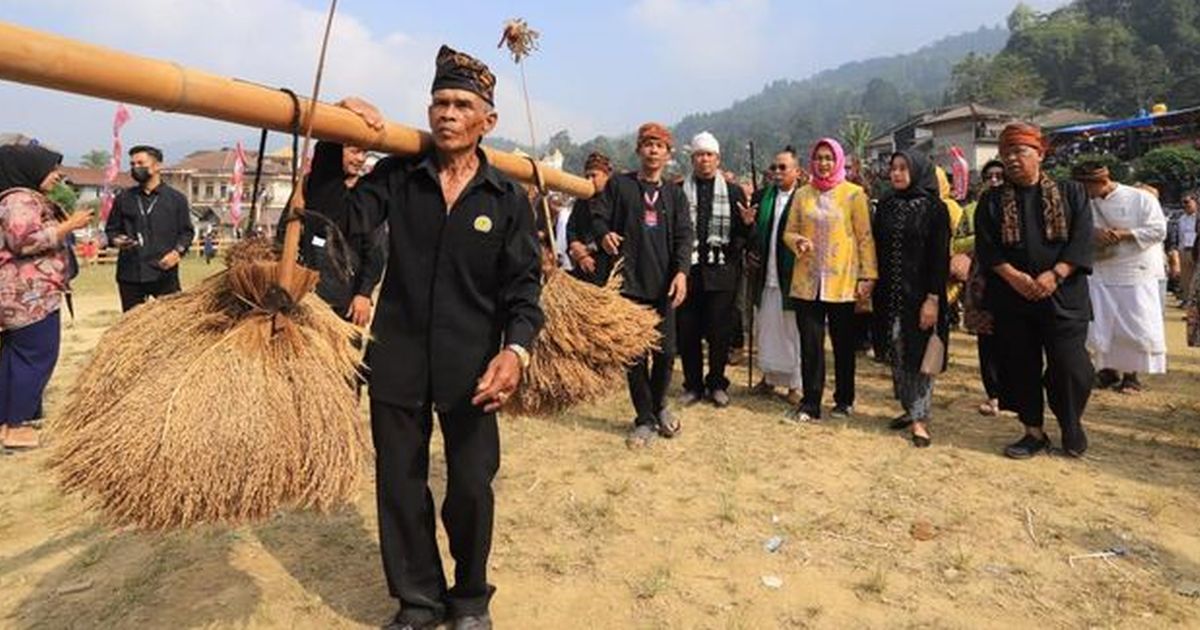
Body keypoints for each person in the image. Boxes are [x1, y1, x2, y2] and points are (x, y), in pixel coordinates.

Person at [328, 46, 544, 630]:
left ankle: (470, 598)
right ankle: (418, 601)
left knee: (472, 486)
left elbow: (525, 290)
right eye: (439, 102)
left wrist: (514, 350)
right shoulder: (397, 177)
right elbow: (336, 222)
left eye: (461, 104)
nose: (447, 113)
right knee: (400, 481)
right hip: (397, 358)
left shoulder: (505, 199)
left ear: (487, 121)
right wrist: (334, 133)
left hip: (473, 365)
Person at [974, 123, 1094, 460]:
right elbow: (988, 249)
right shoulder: (993, 201)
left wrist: (1055, 274)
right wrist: (1015, 278)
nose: (1012, 159)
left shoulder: (1071, 193)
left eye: (1020, 152)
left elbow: (1082, 239)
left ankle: (1071, 423)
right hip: (1013, 297)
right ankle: (1033, 431)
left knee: (1071, 365)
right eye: (1006, 153)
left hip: (1063, 295)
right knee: (1019, 365)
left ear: (1040, 154)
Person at [593, 122, 693, 447]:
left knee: (665, 353)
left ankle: (659, 403)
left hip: (664, 286)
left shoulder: (675, 195)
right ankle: (645, 419)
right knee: (635, 357)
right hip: (629, 284)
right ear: (639, 150)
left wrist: (681, 273)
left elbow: (683, 237)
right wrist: (603, 234)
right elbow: (598, 214)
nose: (653, 150)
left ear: (668, 153)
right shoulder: (620, 186)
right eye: (647, 144)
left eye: (659, 145)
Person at [0, 144, 92, 450]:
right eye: (51, 169)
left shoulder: (17, 198)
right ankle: (17, 428)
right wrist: (69, 226)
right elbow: (22, 241)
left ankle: (8, 424)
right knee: (35, 359)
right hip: (30, 299)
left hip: (22, 297)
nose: (57, 176)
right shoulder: (19, 199)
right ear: (32, 169)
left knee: (15, 361)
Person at [782, 138, 877, 422]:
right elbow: (789, 231)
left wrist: (868, 276)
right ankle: (811, 402)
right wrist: (796, 241)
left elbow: (864, 237)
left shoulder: (853, 194)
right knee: (811, 345)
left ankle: (844, 400)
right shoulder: (802, 195)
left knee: (843, 344)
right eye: (819, 158)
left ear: (837, 161)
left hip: (843, 282)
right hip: (807, 282)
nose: (823, 163)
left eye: (828, 158)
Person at [874, 151, 950, 448]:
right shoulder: (886, 205)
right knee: (896, 350)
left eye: (904, 168)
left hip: (921, 294)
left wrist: (932, 299)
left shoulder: (935, 209)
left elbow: (939, 258)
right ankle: (909, 409)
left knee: (919, 354)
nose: (896, 174)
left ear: (918, 171)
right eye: (893, 168)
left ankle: (920, 419)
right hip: (890, 294)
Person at [1073, 163, 1167, 394]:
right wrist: (1094, 233)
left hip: (1136, 271)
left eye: (1086, 187)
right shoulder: (1086, 203)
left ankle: (1131, 376)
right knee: (1103, 325)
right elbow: (1074, 228)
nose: (1083, 192)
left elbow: (1158, 230)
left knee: (1135, 325)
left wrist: (1123, 235)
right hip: (1102, 270)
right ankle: (1107, 370)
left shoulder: (1141, 199)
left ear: (1100, 182)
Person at [676, 132, 749, 408]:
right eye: (699, 155)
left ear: (718, 159)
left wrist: (747, 225)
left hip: (723, 273)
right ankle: (693, 385)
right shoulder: (679, 191)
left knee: (720, 333)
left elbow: (742, 235)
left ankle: (717, 383)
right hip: (689, 273)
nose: (704, 159)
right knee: (688, 332)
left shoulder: (733, 192)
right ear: (692, 159)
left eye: (709, 154)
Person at [279, 142, 386, 326]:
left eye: (365, 153)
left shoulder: (366, 193)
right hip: (306, 292)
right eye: (354, 151)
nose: (360, 159)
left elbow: (376, 249)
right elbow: (286, 231)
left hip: (346, 297)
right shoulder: (307, 185)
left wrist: (364, 293)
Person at [746, 146, 804, 406]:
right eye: (774, 168)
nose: (777, 172)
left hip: (791, 277)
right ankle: (769, 378)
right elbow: (753, 237)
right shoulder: (762, 197)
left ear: (797, 171)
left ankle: (795, 384)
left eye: (783, 168)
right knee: (766, 329)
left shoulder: (804, 199)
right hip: (765, 275)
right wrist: (748, 226)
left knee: (791, 332)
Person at [105, 145, 195, 312]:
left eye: (140, 163)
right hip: (130, 274)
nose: (135, 168)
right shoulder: (123, 198)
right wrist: (117, 240)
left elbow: (186, 232)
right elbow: (111, 231)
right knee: (131, 326)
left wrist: (177, 253)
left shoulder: (176, 199)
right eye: (132, 164)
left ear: (157, 166)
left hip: (164, 273)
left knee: (172, 321)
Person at [963, 159, 1007, 416]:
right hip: (983, 281)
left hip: (1015, 282)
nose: (994, 180)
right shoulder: (972, 210)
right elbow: (958, 242)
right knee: (987, 340)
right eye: (989, 176)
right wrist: (979, 238)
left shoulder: (1021, 206)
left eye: (999, 176)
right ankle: (994, 394)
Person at [565, 152, 613, 284]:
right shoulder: (582, 202)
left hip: (609, 270)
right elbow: (571, 229)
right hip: (583, 270)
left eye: (594, 175)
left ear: (606, 176)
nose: (589, 180)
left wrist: (588, 250)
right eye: (587, 176)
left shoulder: (615, 200)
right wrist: (576, 248)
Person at [1168, 191, 1198, 305]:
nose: (1186, 205)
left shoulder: (1198, 217)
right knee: (1185, 277)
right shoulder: (1181, 219)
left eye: (1188, 202)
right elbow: (1177, 235)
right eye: (1184, 203)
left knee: (1196, 277)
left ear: (1195, 202)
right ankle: (1186, 300)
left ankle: (1194, 302)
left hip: (1195, 250)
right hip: (1184, 249)